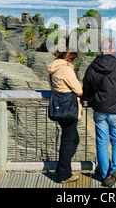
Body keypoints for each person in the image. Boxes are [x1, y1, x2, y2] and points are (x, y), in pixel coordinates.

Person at [81, 40, 116, 187]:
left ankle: (105, 174)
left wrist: (88, 98)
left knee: (102, 143)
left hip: (99, 110)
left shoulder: (92, 68)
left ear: (101, 50)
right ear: (113, 51)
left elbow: (86, 90)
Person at [47, 48, 84, 184]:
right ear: (68, 59)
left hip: (61, 107)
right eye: (73, 59)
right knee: (69, 142)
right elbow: (78, 90)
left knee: (72, 140)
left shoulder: (54, 68)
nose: (73, 62)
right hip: (69, 109)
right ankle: (63, 174)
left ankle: (62, 169)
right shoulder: (66, 69)